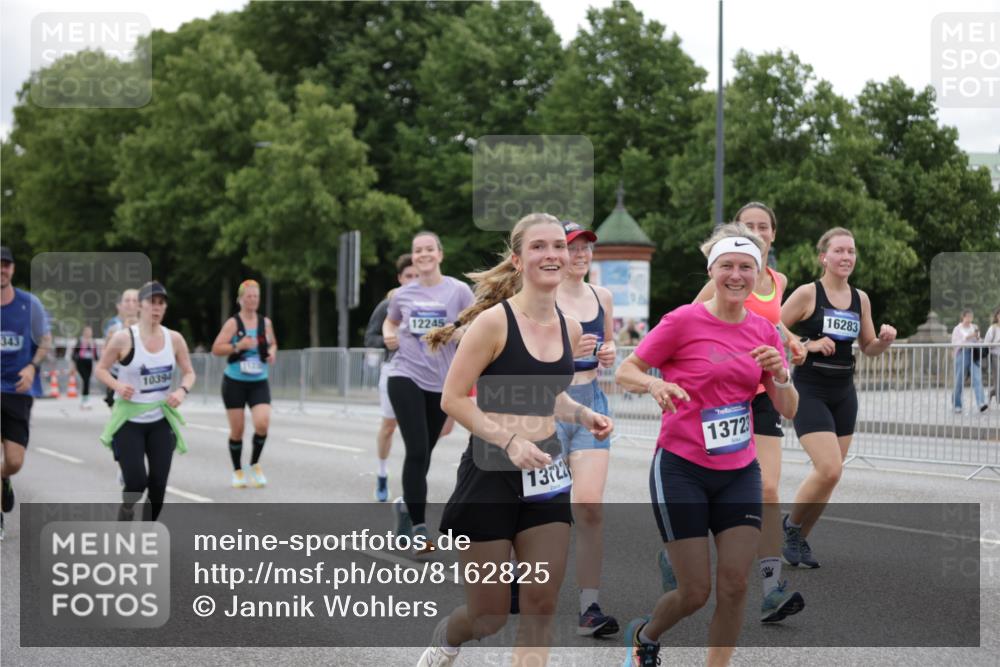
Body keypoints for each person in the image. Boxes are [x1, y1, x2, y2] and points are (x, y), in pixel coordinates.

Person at [417, 212, 613, 667]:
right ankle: (448, 637)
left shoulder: (570, 328)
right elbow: (453, 399)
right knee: (488, 617)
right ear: (518, 259)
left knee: (540, 603)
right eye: (539, 246)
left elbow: (549, 395)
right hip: (491, 471)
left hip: (546, 472)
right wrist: (507, 441)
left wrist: (584, 413)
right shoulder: (494, 324)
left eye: (558, 247)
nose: (552, 254)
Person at [615, 223, 798, 667]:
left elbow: (788, 408)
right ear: (712, 270)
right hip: (681, 467)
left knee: (735, 584)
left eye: (746, 267)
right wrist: (653, 386)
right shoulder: (683, 321)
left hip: (738, 471)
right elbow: (627, 370)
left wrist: (782, 375)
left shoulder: (765, 331)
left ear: (758, 274)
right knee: (695, 591)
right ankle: (645, 634)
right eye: (727, 266)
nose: (736, 275)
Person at [684, 202, 806, 623]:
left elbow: (771, 322)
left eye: (764, 226)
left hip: (761, 390)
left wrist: (793, 341)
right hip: (719, 395)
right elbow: (691, 320)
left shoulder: (777, 279)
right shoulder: (727, 275)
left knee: (769, 489)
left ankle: (771, 587)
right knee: (711, 485)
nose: (757, 231)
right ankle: (681, 553)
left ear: (773, 234)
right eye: (748, 226)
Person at [780, 227, 897, 569]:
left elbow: (869, 347)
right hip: (810, 389)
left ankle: (800, 538)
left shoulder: (861, 299)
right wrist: (806, 344)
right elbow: (771, 325)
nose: (847, 257)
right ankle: (790, 527)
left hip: (844, 391)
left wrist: (884, 341)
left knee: (832, 475)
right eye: (840, 251)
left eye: (851, 251)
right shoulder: (807, 293)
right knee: (828, 469)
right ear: (824, 257)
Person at [383, 231, 474, 553]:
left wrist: (455, 333)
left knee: (425, 453)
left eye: (428, 249)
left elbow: (476, 327)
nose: (423, 254)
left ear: (440, 254)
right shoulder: (402, 295)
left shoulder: (458, 291)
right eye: (417, 250)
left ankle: (405, 507)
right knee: (418, 451)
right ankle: (420, 529)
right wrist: (388, 335)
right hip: (405, 375)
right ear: (414, 256)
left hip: (442, 383)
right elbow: (390, 324)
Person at [554, 220, 620, 636]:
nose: (580, 255)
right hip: (548, 407)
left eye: (586, 248)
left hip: (591, 402)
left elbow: (607, 348)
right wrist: (564, 352)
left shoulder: (603, 297)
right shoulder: (541, 298)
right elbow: (523, 358)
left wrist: (609, 353)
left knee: (590, 507)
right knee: (539, 507)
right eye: (572, 248)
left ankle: (589, 607)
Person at [95, 281, 196, 521]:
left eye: (161, 303)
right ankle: (127, 508)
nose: (157, 307)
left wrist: (181, 390)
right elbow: (101, 369)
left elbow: (190, 372)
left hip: (161, 420)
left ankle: (147, 533)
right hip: (129, 420)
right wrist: (118, 385)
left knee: (159, 487)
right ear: (141, 305)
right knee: (136, 483)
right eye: (152, 302)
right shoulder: (123, 338)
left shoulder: (175, 339)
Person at [1, 246, 52, 539]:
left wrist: (32, 367)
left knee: (15, 461)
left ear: (12, 270)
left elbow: (45, 340)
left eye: (6, 265)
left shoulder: (28, 304)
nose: (2, 270)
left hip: (18, 391)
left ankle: (5, 477)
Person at [211, 280, 277, 488]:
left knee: (262, 423)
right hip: (234, 383)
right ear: (240, 299)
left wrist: (272, 353)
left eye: (255, 296)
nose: (252, 300)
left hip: (259, 381)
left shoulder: (265, 323)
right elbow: (216, 348)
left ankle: (254, 464)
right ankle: (238, 470)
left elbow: (273, 343)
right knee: (237, 430)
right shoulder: (233, 323)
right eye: (248, 296)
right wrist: (238, 345)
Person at [365, 254, 419, 502]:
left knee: (421, 433)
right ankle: (382, 473)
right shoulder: (390, 304)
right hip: (394, 371)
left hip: (424, 374)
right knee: (389, 427)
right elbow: (371, 338)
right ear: (400, 279)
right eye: (409, 276)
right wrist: (389, 341)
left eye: (417, 275)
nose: (413, 280)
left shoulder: (433, 304)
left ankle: (415, 480)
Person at [103, 288, 139, 408]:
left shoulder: (149, 328)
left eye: (134, 300)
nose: (130, 304)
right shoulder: (114, 329)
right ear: (121, 305)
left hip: (140, 379)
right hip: (117, 377)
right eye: (127, 300)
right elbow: (104, 358)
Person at [951, 308, 987, 414]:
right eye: (967, 317)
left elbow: (978, 340)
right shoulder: (957, 329)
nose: (969, 319)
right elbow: (955, 343)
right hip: (962, 353)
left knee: (977, 377)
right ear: (963, 317)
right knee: (959, 379)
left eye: (971, 317)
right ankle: (957, 404)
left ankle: (981, 403)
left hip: (973, 353)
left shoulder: (974, 327)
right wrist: (967, 337)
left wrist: (977, 338)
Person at [69, 325, 98, 410]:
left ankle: (86, 399)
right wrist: (73, 366)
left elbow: (96, 356)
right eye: (87, 331)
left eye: (90, 331)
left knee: (87, 380)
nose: (88, 333)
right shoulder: (80, 341)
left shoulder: (93, 342)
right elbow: (74, 354)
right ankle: (85, 400)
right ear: (84, 332)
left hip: (89, 362)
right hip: (81, 362)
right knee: (85, 379)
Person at [985, 308, 1000, 405]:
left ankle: (992, 392)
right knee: (998, 378)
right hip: (996, 356)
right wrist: (997, 343)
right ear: (997, 316)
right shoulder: (993, 328)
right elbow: (986, 344)